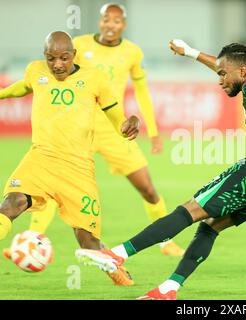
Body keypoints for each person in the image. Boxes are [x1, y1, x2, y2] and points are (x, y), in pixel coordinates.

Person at [75, 40, 246, 300]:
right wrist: (190, 52)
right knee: (210, 226)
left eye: (223, 74)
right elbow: (223, 65)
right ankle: (168, 289)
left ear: (242, 72)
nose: (219, 79)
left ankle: (117, 254)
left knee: (189, 210)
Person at [4, 3, 184, 257]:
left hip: (113, 129)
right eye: (106, 20)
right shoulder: (79, 44)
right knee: (46, 184)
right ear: (100, 22)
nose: (111, 25)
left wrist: (152, 131)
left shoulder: (132, 52)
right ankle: (32, 241)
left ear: (124, 24)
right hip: (74, 134)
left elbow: (141, 92)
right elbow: (39, 81)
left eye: (116, 21)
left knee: (147, 187)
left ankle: (166, 240)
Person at [0, 31, 140, 285]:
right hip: (40, 159)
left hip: (78, 168)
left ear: (73, 55)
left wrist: (128, 123)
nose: (57, 64)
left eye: (64, 58)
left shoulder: (94, 78)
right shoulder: (36, 70)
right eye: (51, 58)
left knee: (87, 241)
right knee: (11, 202)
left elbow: (116, 115)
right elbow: (24, 86)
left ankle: (113, 266)